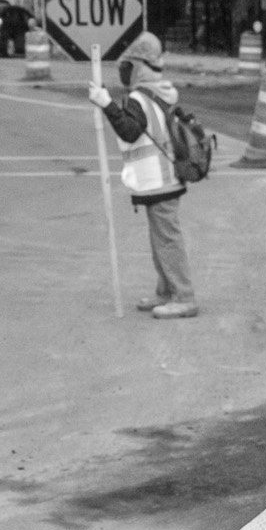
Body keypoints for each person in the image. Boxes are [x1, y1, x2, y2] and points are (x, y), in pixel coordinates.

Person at [88, 31, 197, 319]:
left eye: (127, 67)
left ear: (137, 69)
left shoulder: (139, 97)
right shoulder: (161, 91)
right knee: (161, 240)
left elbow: (130, 131)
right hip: (164, 179)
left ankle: (183, 296)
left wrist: (106, 104)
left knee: (167, 241)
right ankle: (166, 292)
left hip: (157, 181)